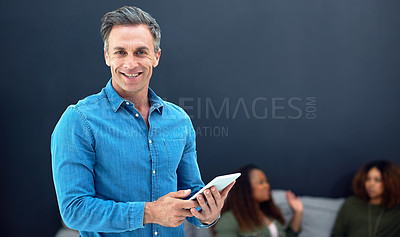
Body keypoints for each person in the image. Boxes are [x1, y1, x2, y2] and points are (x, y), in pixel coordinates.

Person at [51, 6, 234, 237]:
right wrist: (150, 213)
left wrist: (207, 214)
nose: (130, 63)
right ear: (107, 56)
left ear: (156, 56)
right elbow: (74, 210)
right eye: (120, 52)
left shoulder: (179, 120)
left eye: (140, 52)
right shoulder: (78, 120)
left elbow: (191, 193)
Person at [213, 164, 303, 237]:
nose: (267, 185)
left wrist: (298, 212)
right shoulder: (229, 220)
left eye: (266, 182)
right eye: (261, 182)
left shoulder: (268, 215)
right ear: (245, 188)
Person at [331, 160, 400, 237]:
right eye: (368, 179)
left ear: (390, 182)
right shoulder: (351, 204)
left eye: (377, 180)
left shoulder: (396, 211)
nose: (371, 184)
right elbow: (336, 234)